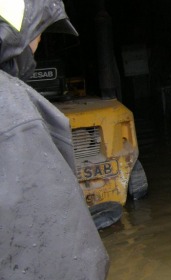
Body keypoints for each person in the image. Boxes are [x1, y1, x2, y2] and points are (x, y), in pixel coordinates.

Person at [0, 1, 109, 279]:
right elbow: (63, 259)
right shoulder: (14, 114)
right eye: (39, 33)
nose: (38, 45)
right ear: (21, 35)